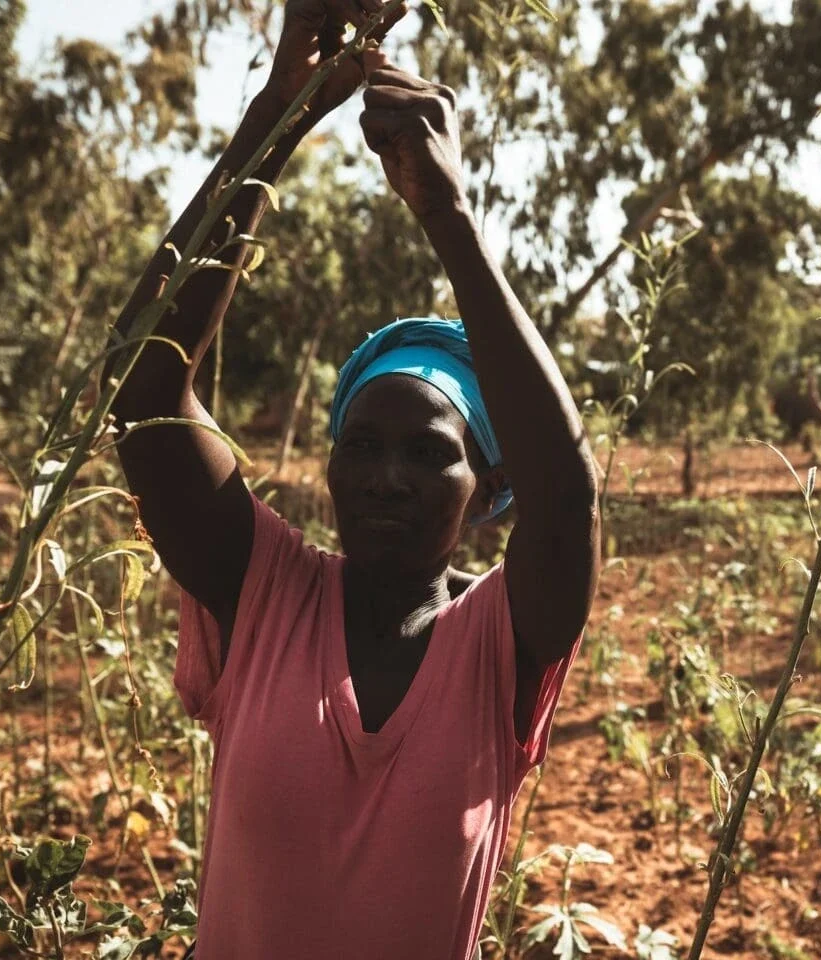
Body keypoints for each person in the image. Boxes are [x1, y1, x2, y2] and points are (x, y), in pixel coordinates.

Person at [106, 1, 599, 956]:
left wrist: (447, 211)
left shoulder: (504, 637)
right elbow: (145, 391)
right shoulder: (266, 592)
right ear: (330, 461)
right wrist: (282, 106)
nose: (386, 476)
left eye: (430, 453)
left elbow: (570, 494)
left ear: (488, 484)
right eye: (363, 445)